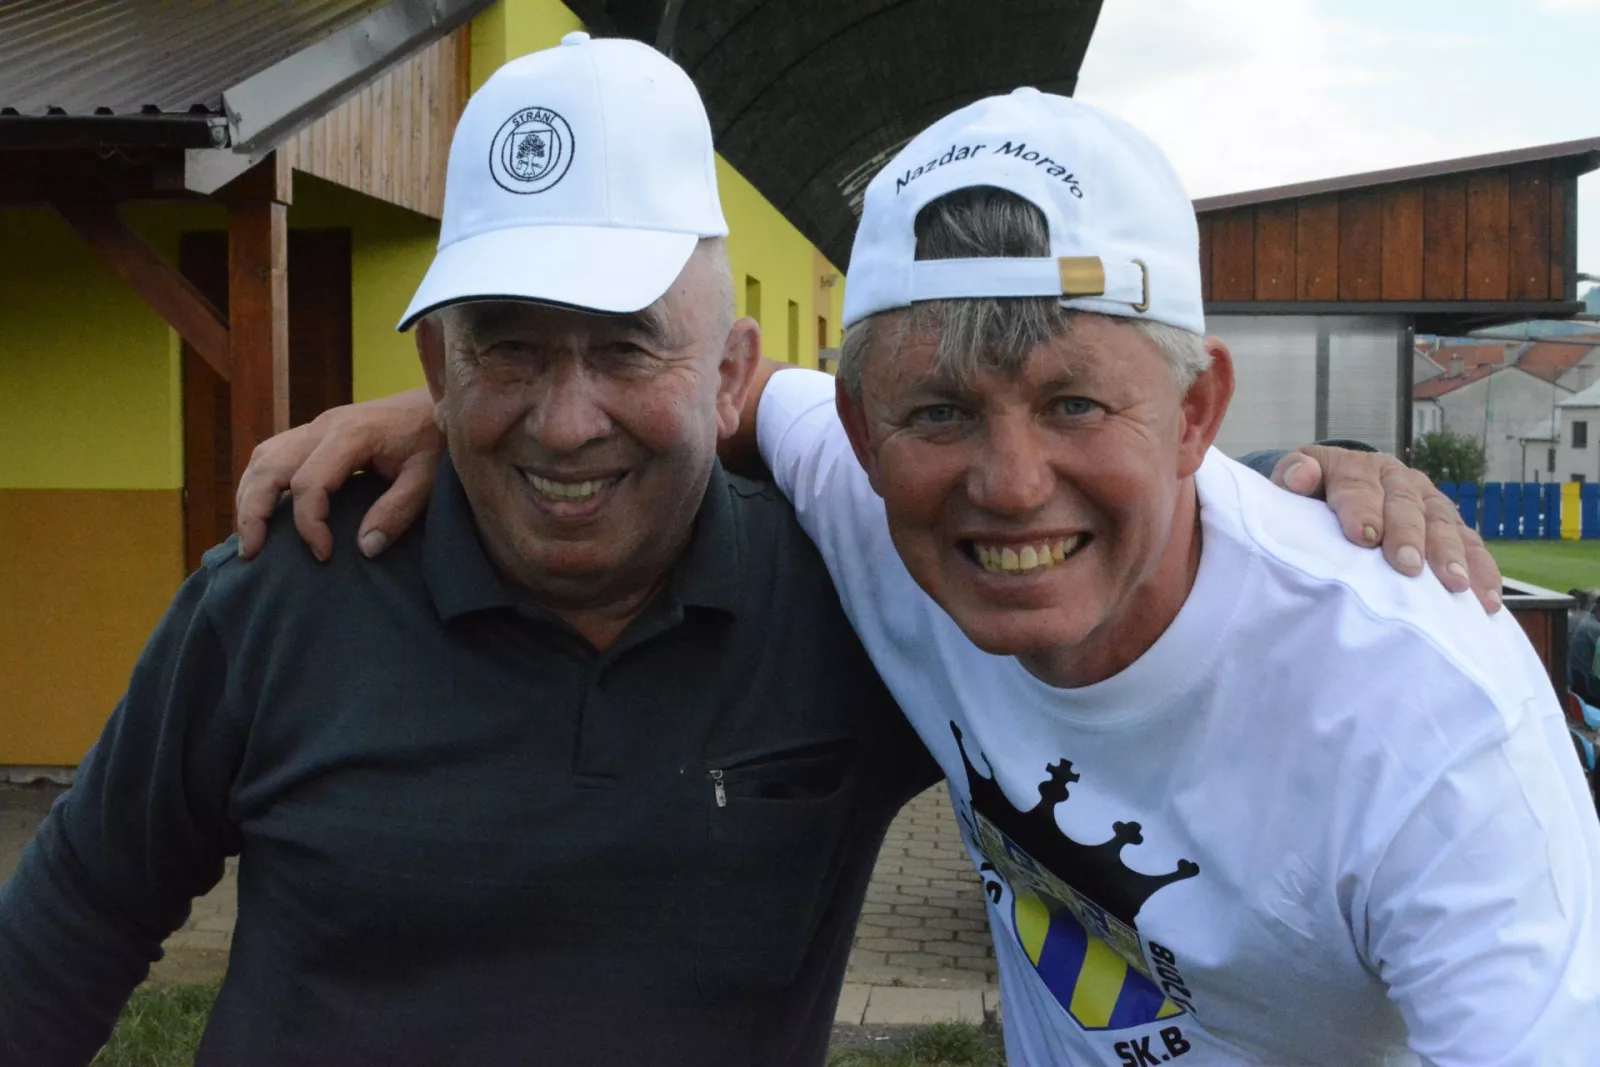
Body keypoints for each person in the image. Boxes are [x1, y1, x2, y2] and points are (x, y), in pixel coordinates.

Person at [251, 90, 1593, 1064]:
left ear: (1195, 415)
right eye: (940, 411)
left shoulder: (1426, 716)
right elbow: (683, 395)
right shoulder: (862, 495)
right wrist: (450, 414)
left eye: (1074, 403)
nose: (1007, 483)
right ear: (858, 431)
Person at [0, 36, 946, 1066]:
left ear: (729, 375)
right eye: (508, 347)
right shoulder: (282, 590)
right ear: (437, 369)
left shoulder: (853, 605)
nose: (565, 423)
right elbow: (70, 923)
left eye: (625, 347)